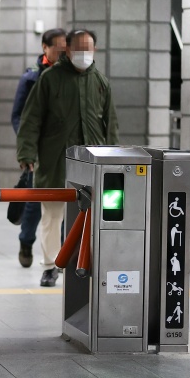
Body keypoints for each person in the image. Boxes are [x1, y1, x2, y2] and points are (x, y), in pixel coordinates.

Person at [17, 29, 119, 286]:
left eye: (89, 48)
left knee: (92, 214)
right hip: (55, 160)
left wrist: (115, 157)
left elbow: (111, 124)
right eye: (79, 48)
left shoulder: (100, 81)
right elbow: (31, 118)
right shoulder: (50, 79)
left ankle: (86, 261)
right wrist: (27, 153)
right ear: (68, 50)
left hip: (92, 160)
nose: (84, 54)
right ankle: (51, 265)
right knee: (52, 214)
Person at [11, 28, 66, 268]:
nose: (62, 53)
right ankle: (26, 241)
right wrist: (29, 149)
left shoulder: (70, 76)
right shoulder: (32, 77)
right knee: (36, 202)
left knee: (62, 204)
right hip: (39, 152)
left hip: (62, 152)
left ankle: (59, 254)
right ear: (45, 47)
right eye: (57, 48)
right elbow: (20, 117)